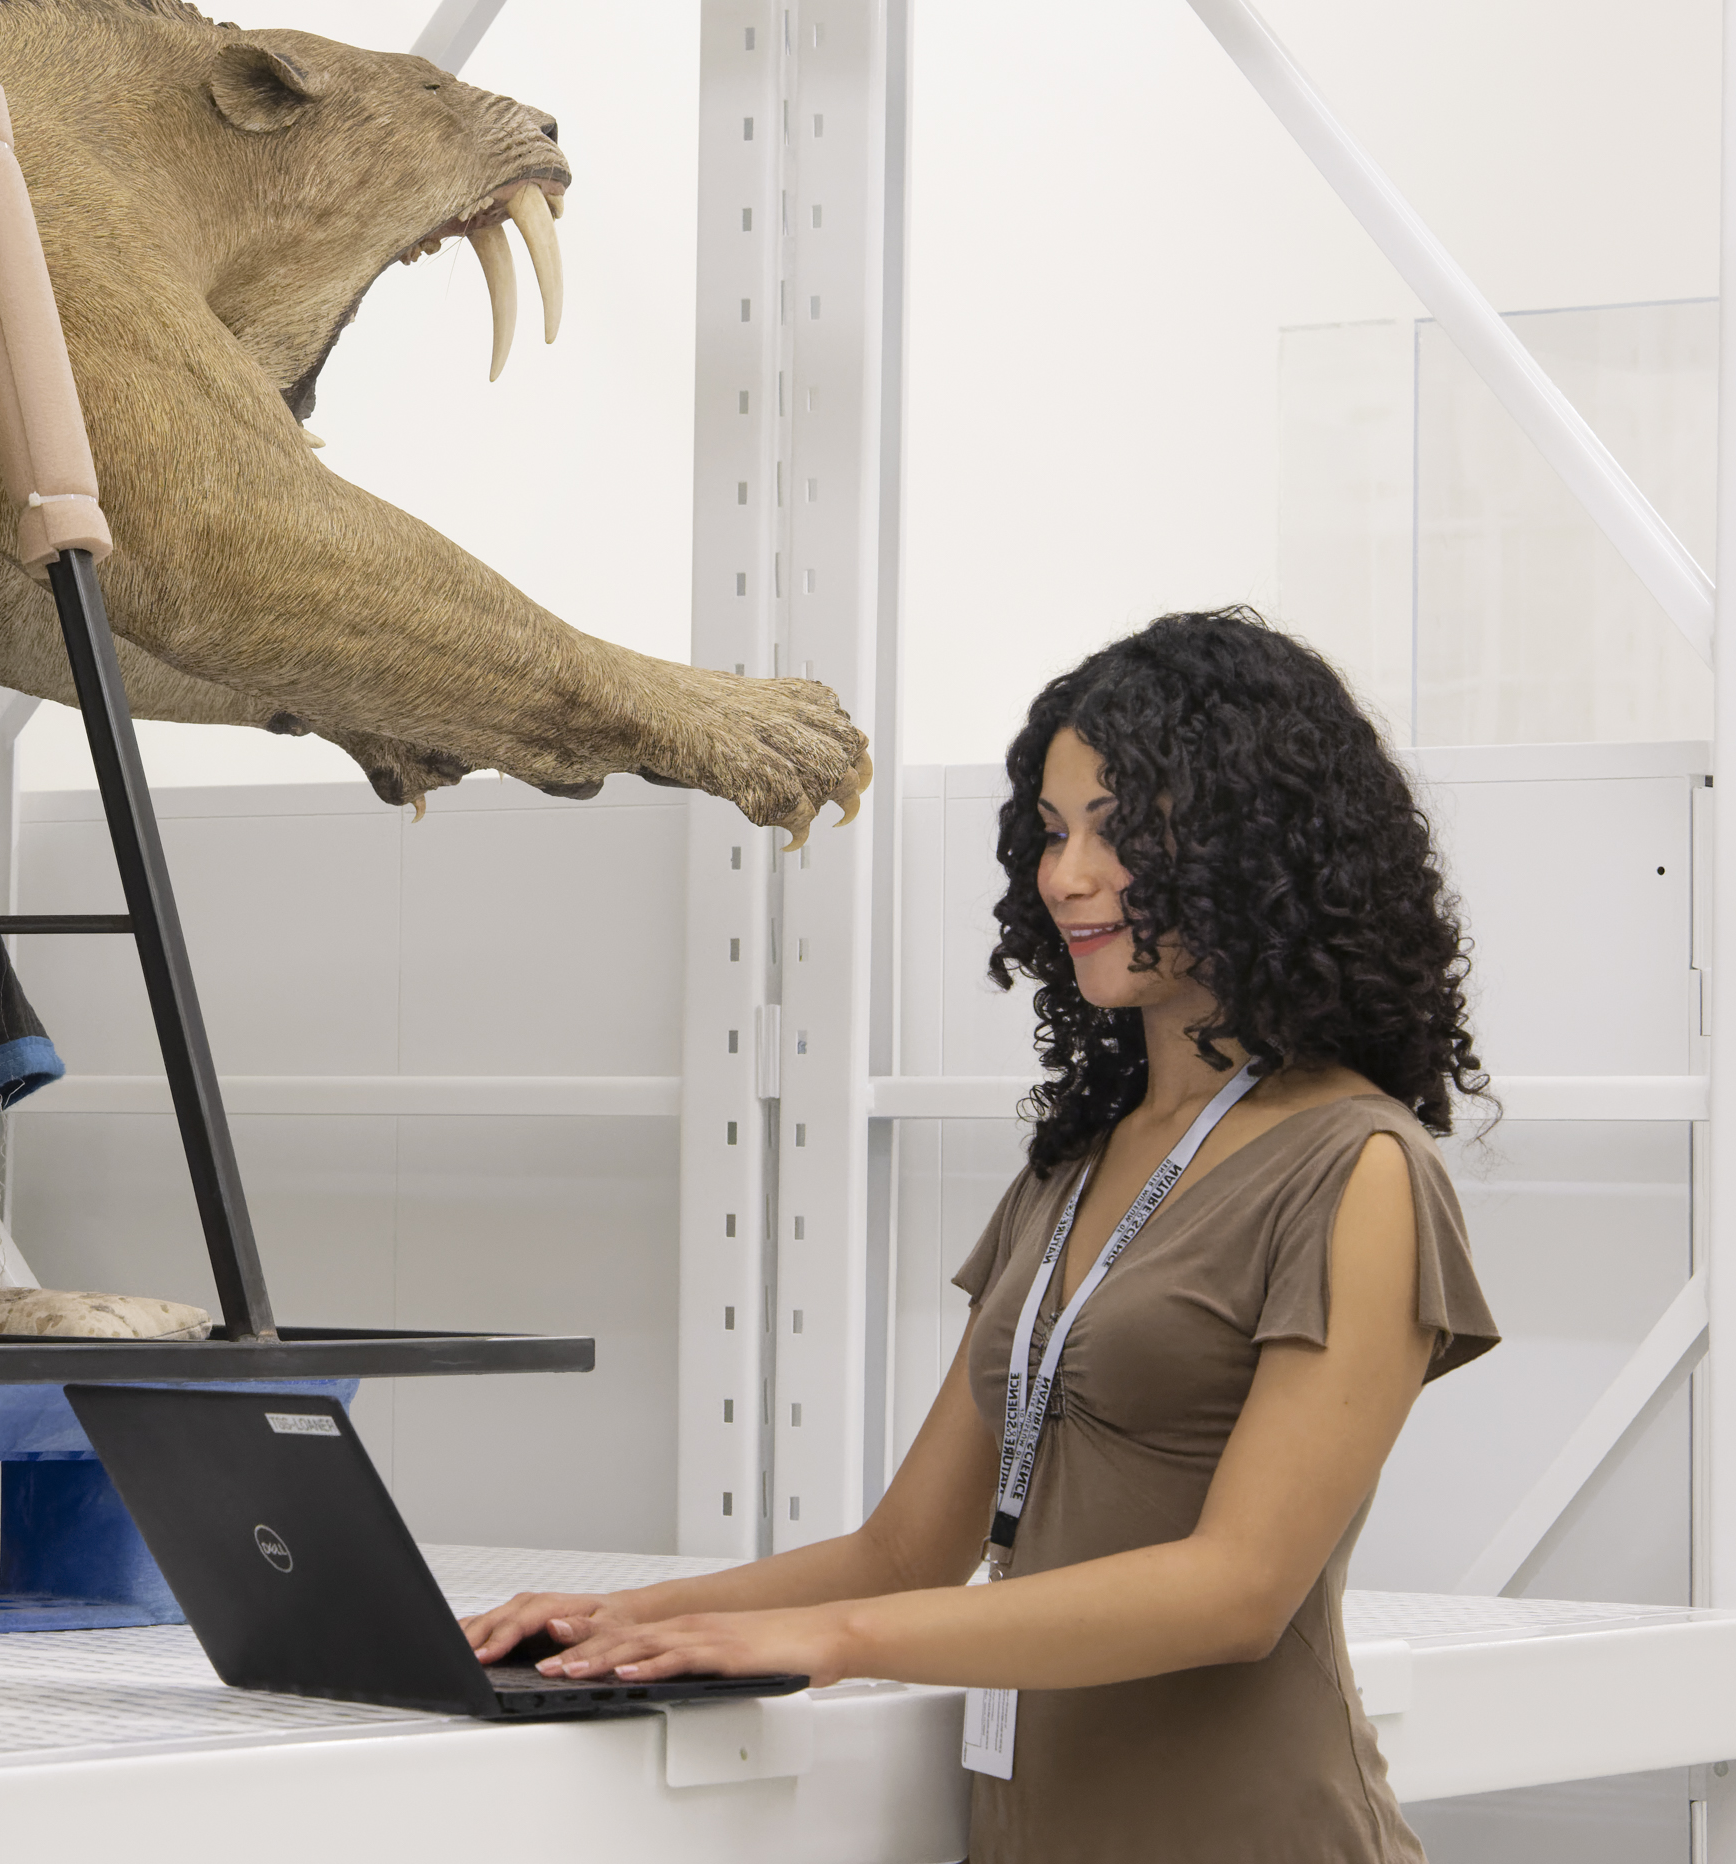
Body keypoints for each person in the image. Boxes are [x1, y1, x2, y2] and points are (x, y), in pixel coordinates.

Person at [463, 609, 1497, 1864]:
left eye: (1121, 828)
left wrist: (832, 1642)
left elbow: (1238, 1588)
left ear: (1250, 839)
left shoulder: (1359, 1164)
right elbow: (907, 1547)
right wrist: (621, 1618)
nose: (1069, 875)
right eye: (1055, 831)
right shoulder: (1077, 1163)